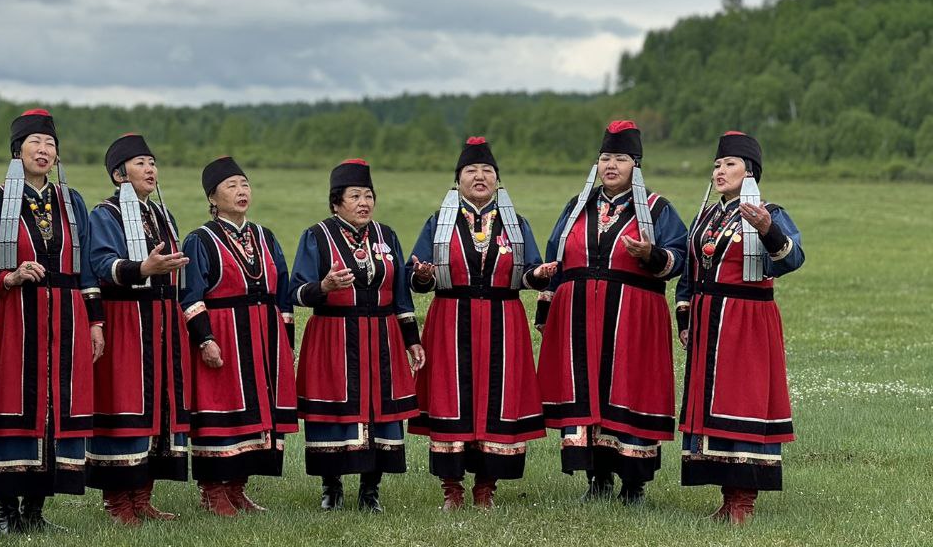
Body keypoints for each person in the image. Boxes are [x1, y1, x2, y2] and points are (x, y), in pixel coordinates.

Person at [532, 120, 688, 505]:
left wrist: (652, 255)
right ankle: (596, 478)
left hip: (635, 318)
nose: (611, 165)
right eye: (605, 158)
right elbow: (556, 257)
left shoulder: (656, 209)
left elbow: (680, 256)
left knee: (632, 391)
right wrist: (547, 306)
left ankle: (633, 485)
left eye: (620, 158)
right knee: (588, 394)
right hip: (580, 316)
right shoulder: (577, 207)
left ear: (636, 164)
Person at [0, 109, 105, 533]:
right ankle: (6, 511)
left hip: (66, 317)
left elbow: (87, 267)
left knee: (55, 408)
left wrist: (96, 322)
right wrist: (9, 277)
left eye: (50, 144)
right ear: (17, 151)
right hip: (15, 315)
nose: (44, 150)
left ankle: (35, 511)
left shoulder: (72, 202)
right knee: (12, 401)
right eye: (35, 142)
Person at [408, 137, 547, 510]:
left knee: (498, 399)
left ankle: (486, 487)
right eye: (471, 171)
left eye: (487, 171)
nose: (480, 177)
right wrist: (422, 274)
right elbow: (415, 276)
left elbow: (530, 272)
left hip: (504, 319)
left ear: (498, 181)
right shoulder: (439, 222)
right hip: (450, 320)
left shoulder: (515, 223)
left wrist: (542, 273)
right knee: (451, 398)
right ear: (458, 181)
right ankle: (451, 488)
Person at [677, 131, 805, 524]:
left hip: (748, 321)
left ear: (750, 172)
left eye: (729, 164)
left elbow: (792, 259)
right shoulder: (706, 217)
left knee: (743, 403)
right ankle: (727, 495)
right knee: (713, 407)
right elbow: (689, 268)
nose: (719, 171)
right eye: (717, 165)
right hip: (709, 319)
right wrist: (684, 318)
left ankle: (744, 500)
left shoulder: (771, 212)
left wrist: (768, 229)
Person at [290, 159, 425, 512]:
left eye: (368, 195)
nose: (364, 202)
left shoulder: (387, 236)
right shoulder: (316, 236)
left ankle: (371, 491)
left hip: (382, 334)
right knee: (334, 411)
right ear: (336, 203)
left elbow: (400, 294)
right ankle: (330, 487)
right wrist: (324, 286)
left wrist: (411, 339)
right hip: (333, 334)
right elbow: (296, 291)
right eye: (355, 196)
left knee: (381, 411)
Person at [180, 157, 298, 516]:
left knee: (259, 412)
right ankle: (213, 491)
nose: (241, 191)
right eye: (231, 186)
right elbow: (190, 294)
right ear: (213, 198)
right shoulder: (200, 240)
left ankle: (237, 488)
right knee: (222, 410)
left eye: (244, 184)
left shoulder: (265, 236)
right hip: (224, 334)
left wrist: (285, 342)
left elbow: (284, 291)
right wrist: (205, 339)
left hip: (264, 335)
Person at [86, 133, 191, 525]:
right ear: (118, 175)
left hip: (163, 322)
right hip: (127, 319)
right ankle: (118, 501)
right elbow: (101, 263)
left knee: (158, 407)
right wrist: (143, 269)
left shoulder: (162, 214)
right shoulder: (104, 214)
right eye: (141, 163)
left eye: (152, 162)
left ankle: (143, 496)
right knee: (124, 403)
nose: (151, 169)